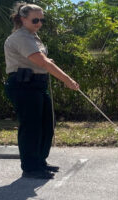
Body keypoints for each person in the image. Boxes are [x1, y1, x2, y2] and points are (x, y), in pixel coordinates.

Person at [4, 2, 79, 179]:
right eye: (35, 20)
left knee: (47, 123)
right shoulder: (21, 37)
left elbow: (40, 59)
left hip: (36, 84)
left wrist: (46, 61)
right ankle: (30, 168)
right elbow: (42, 62)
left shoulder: (32, 35)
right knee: (31, 127)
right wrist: (67, 80)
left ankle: (39, 162)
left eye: (41, 20)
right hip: (24, 86)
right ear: (23, 19)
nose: (39, 23)